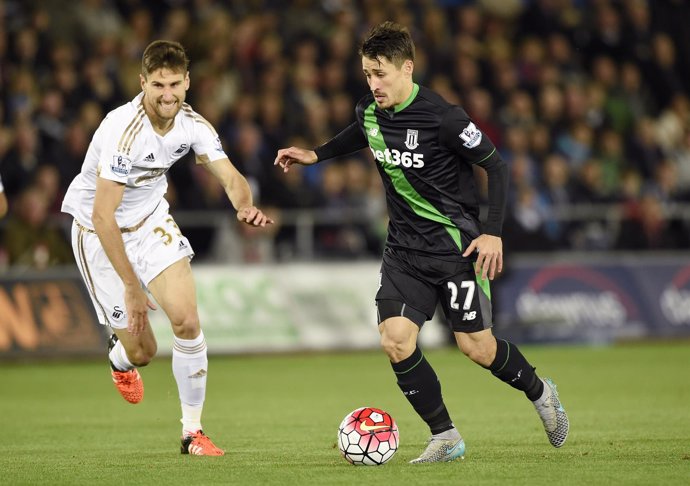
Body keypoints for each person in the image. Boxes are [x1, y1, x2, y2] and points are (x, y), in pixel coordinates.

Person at [275, 22, 569, 463]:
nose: (373, 84)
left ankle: (540, 391)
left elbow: (498, 167)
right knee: (395, 339)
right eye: (367, 74)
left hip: (457, 250)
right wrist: (317, 153)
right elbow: (363, 132)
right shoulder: (369, 111)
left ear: (407, 67)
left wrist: (492, 232)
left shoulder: (443, 117)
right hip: (404, 252)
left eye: (381, 74)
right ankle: (445, 436)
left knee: (478, 348)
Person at [61, 40, 273, 456]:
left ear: (188, 81)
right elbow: (104, 216)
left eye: (175, 83)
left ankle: (191, 433)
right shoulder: (123, 130)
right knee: (144, 352)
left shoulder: (193, 125)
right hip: (98, 233)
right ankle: (119, 356)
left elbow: (231, 177)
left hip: (151, 222)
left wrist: (245, 206)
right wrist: (131, 286)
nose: (167, 94)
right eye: (158, 84)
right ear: (142, 82)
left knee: (187, 321)